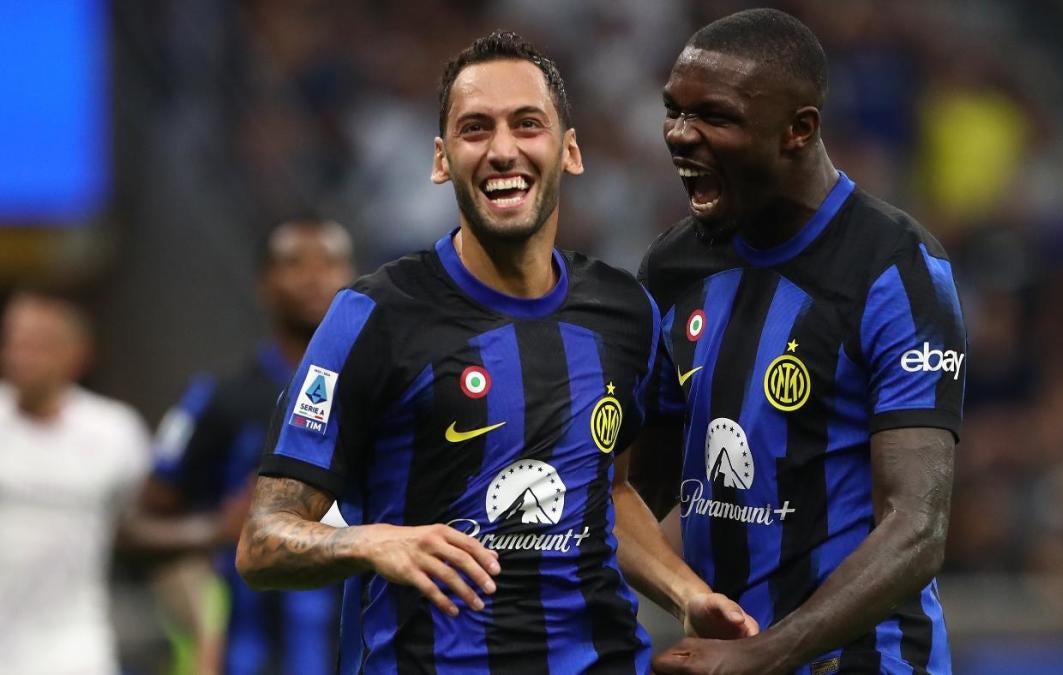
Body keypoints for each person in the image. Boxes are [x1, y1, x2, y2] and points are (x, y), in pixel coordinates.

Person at [236, 31, 755, 674]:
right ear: (441, 159)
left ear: (569, 149)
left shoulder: (625, 312)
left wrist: (687, 593)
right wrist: (370, 543)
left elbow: (607, 491)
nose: (502, 150)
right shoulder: (373, 316)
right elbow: (262, 543)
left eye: (527, 125)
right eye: (475, 128)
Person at [636, 9, 966, 675]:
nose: (680, 135)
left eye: (715, 117)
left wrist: (767, 653)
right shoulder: (674, 268)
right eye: (674, 111)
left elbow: (917, 528)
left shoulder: (894, 269)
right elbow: (648, 502)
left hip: (864, 660)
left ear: (799, 130)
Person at [124, 220, 355, 674]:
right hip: (251, 659)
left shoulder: (386, 395)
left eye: (329, 262)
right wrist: (215, 528)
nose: (313, 276)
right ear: (264, 285)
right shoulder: (217, 400)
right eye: (294, 263)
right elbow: (137, 527)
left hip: (363, 656)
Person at [0, 290, 151, 675]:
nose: (21, 357)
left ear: (77, 355)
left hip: (74, 646)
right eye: (14, 342)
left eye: (38, 346)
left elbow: (139, 528)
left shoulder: (116, 432)